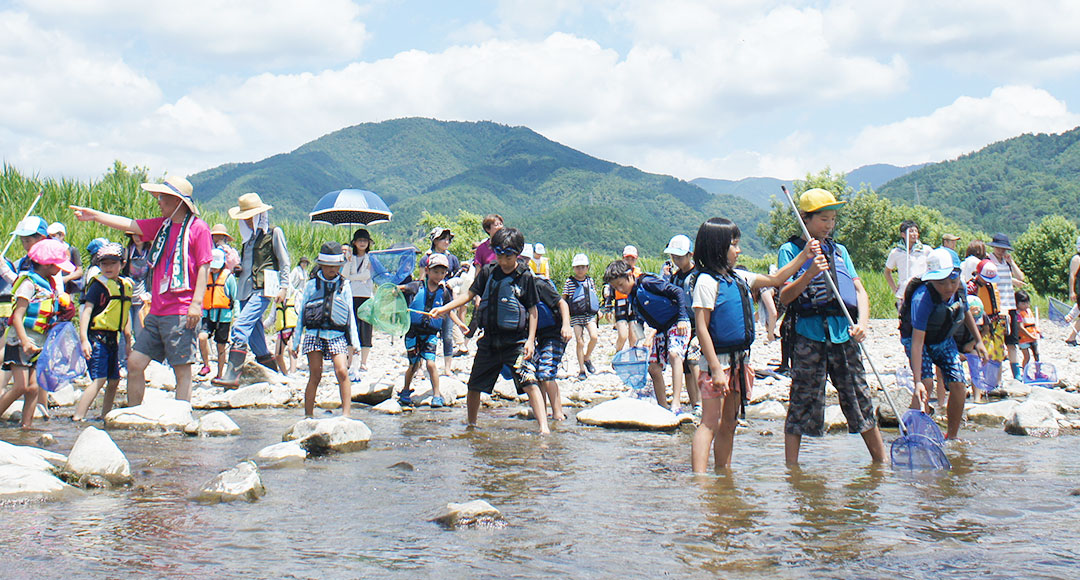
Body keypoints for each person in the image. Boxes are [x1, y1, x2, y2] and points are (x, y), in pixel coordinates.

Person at [691, 217, 826, 472]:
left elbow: (776, 280)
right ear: (717, 247)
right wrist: (716, 369)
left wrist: (805, 257)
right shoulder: (706, 282)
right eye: (734, 245)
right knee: (711, 422)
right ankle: (700, 480)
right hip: (717, 363)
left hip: (741, 361)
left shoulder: (739, 277)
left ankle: (723, 473)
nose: (738, 250)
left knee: (730, 422)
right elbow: (702, 329)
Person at [71, 175, 213, 404]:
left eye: (162, 197)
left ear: (177, 201)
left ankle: (182, 416)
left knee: (181, 368)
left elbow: (204, 266)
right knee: (135, 363)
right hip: (157, 311)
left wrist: (197, 304)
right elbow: (128, 224)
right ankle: (133, 411)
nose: (158, 201)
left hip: (181, 310)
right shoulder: (161, 227)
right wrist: (94, 216)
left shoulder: (199, 229)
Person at [778, 188, 887, 465]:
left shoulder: (840, 250)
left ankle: (881, 463)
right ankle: (792, 470)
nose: (829, 225)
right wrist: (810, 273)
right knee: (801, 402)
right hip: (808, 336)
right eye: (823, 219)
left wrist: (862, 324)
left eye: (833, 220)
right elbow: (785, 296)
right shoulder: (790, 251)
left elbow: (860, 291)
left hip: (843, 334)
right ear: (805, 219)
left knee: (859, 397)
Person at [430, 227, 549, 434]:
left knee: (529, 382)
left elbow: (533, 310)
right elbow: (468, 295)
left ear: (517, 253)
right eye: (499, 254)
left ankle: (544, 428)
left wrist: (530, 340)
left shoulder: (525, 276)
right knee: (474, 385)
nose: (503, 260)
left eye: (508, 255)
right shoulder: (488, 272)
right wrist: (444, 308)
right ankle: (471, 425)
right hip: (489, 340)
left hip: (516, 342)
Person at [901, 248, 988, 440]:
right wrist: (916, 381)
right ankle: (913, 432)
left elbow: (964, 312)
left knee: (958, 385)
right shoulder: (922, 299)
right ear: (931, 280)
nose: (948, 287)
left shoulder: (961, 288)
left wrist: (979, 341)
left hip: (942, 340)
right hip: (918, 341)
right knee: (925, 384)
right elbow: (916, 343)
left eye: (953, 281)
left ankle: (952, 437)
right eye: (941, 282)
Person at [214, 192, 291, 387]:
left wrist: (283, 287)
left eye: (250, 217)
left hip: (263, 288)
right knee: (256, 334)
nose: (247, 222)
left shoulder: (274, 233)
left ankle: (232, 375)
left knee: (240, 327)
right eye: (244, 218)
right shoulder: (247, 240)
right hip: (244, 290)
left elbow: (284, 262)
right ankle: (271, 373)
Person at [0, 239, 76, 428]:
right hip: (20, 340)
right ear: (45, 264)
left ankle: (26, 428)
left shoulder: (49, 285)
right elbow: (17, 316)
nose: (60, 269)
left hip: (38, 342)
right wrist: (24, 342)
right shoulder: (29, 283)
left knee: (33, 388)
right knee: (20, 386)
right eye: (57, 265)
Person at [603, 257, 690, 412]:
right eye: (616, 288)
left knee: (674, 354)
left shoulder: (647, 283)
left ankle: (676, 403)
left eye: (621, 284)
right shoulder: (632, 297)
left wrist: (683, 318)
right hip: (661, 329)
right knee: (653, 368)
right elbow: (639, 323)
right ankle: (663, 407)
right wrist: (639, 345)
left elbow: (678, 291)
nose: (620, 289)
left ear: (629, 275)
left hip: (677, 322)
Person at [293, 243, 360, 418]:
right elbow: (301, 317)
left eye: (335, 266)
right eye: (328, 266)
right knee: (315, 373)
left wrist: (355, 342)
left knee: (342, 371)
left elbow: (350, 315)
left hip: (336, 336)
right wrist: (295, 342)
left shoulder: (345, 286)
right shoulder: (310, 286)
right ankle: (308, 415)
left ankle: (346, 415)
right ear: (321, 265)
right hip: (314, 335)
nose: (332, 269)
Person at [73, 243, 133, 421]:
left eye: (112, 263)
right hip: (96, 338)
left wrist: (128, 340)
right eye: (104, 264)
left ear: (122, 264)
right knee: (99, 379)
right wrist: (84, 339)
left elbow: (125, 314)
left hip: (113, 337)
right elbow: (87, 312)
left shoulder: (124, 285)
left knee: (114, 380)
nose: (108, 267)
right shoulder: (98, 286)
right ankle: (78, 416)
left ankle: (105, 415)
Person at [397, 253, 466, 407]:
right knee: (414, 364)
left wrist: (460, 324)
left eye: (442, 273)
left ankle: (436, 394)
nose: (439, 275)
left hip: (430, 334)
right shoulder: (416, 286)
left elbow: (450, 311)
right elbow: (400, 289)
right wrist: (393, 290)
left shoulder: (445, 292)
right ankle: (406, 390)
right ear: (427, 270)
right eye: (436, 272)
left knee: (431, 363)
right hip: (413, 332)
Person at [661, 234, 703, 416]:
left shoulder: (699, 275)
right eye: (674, 257)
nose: (676, 260)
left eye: (679, 256)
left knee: (695, 360)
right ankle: (695, 404)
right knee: (685, 363)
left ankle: (701, 402)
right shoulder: (675, 278)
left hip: (698, 322)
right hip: (681, 324)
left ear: (690, 255)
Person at [521, 274, 573, 422]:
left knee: (546, 373)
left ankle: (558, 414)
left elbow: (562, 303)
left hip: (556, 332)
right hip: (540, 336)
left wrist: (566, 325)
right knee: (536, 374)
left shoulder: (539, 285)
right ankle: (542, 412)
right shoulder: (517, 290)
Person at [419, 227, 462, 376]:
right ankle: (420, 366)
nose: (446, 241)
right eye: (443, 238)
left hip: (447, 299)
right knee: (423, 331)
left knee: (447, 334)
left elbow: (459, 277)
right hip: (428, 300)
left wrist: (450, 284)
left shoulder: (452, 259)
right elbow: (420, 280)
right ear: (435, 240)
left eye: (448, 239)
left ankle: (447, 367)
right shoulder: (426, 258)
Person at [987, 233, 1026, 380]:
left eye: (1004, 249)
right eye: (999, 248)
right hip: (996, 306)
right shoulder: (989, 261)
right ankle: (995, 377)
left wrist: (1012, 262)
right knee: (997, 341)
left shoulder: (1007, 262)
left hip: (1010, 305)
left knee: (1012, 342)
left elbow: (1021, 277)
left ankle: (1017, 375)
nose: (1001, 251)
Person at [197, 249, 238, 380]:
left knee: (221, 346)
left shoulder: (229, 278)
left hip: (224, 317)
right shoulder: (205, 276)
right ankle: (206, 365)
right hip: (208, 315)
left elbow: (235, 298)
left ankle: (220, 375)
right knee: (202, 337)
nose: (213, 269)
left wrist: (236, 316)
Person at [343, 228, 374, 377]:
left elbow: (368, 275)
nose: (362, 243)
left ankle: (364, 362)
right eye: (360, 240)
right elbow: (344, 275)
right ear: (354, 242)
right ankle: (349, 360)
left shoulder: (371, 258)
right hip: (352, 295)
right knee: (351, 326)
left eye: (365, 240)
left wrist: (353, 277)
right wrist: (349, 263)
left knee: (366, 328)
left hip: (366, 296)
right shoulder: (350, 258)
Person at [563, 253, 600, 380]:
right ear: (574, 268)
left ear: (587, 268)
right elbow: (564, 299)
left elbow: (593, 295)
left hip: (589, 314)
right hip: (576, 315)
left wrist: (598, 310)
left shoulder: (590, 281)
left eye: (583, 267)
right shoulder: (570, 282)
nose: (580, 270)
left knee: (594, 337)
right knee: (580, 341)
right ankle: (581, 369)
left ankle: (587, 357)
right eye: (578, 267)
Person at [884, 220, 931, 310]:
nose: (914, 234)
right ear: (903, 234)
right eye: (911, 231)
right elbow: (887, 272)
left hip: (921, 290)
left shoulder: (926, 250)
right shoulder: (896, 252)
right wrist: (894, 288)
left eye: (916, 231)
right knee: (904, 320)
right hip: (903, 292)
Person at [611, 245, 644, 353]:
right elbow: (610, 290)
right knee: (623, 335)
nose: (630, 261)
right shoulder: (617, 273)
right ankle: (618, 353)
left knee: (634, 334)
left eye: (632, 259)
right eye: (627, 258)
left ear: (636, 259)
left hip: (634, 305)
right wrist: (608, 308)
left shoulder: (639, 274)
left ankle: (632, 356)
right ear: (623, 258)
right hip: (620, 304)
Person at [124, 231, 153, 338]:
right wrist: (124, 279)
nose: (137, 238)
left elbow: (153, 276)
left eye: (140, 235)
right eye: (134, 235)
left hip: (142, 296)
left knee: (140, 330)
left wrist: (150, 293)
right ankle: (124, 355)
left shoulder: (150, 253)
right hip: (127, 295)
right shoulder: (126, 252)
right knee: (126, 333)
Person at [47, 221, 84, 297]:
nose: (51, 238)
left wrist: (66, 278)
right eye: (50, 236)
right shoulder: (48, 249)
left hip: (67, 289)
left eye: (54, 235)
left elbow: (79, 271)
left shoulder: (71, 250)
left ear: (62, 235)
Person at [1015, 290, 1042, 375]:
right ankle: (1024, 373)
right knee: (1027, 357)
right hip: (1024, 339)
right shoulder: (1018, 314)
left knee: (1037, 355)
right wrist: (1031, 336)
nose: (1026, 305)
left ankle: (1038, 372)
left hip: (1033, 337)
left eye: (1027, 303)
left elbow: (1033, 324)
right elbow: (1021, 328)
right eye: (1023, 304)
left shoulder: (1029, 311)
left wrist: (1037, 332)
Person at [1067, 237, 1080, 346]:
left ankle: (1072, 337)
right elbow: (1072, 275)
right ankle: (1071, 337)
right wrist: (1072, 291)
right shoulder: (1077, 258)